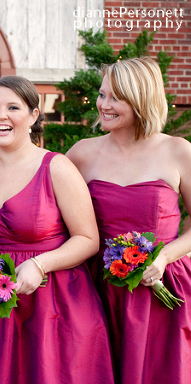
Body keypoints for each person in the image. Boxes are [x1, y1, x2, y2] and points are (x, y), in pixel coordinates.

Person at [0, 75, 113, 383]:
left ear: (33, 115)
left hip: (54, 302)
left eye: (13, 108)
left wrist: (39, 264)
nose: (1, 116)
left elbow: (88, 239)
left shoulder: (56, 167)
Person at [67, 57, 191, 384]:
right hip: (96, 289)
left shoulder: (178, 151)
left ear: (141, 101)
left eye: (116, 98)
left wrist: (164, 257)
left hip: (160, 286)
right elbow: (38, 195)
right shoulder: (81, 154)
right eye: (102, 94)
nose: (103, 105)